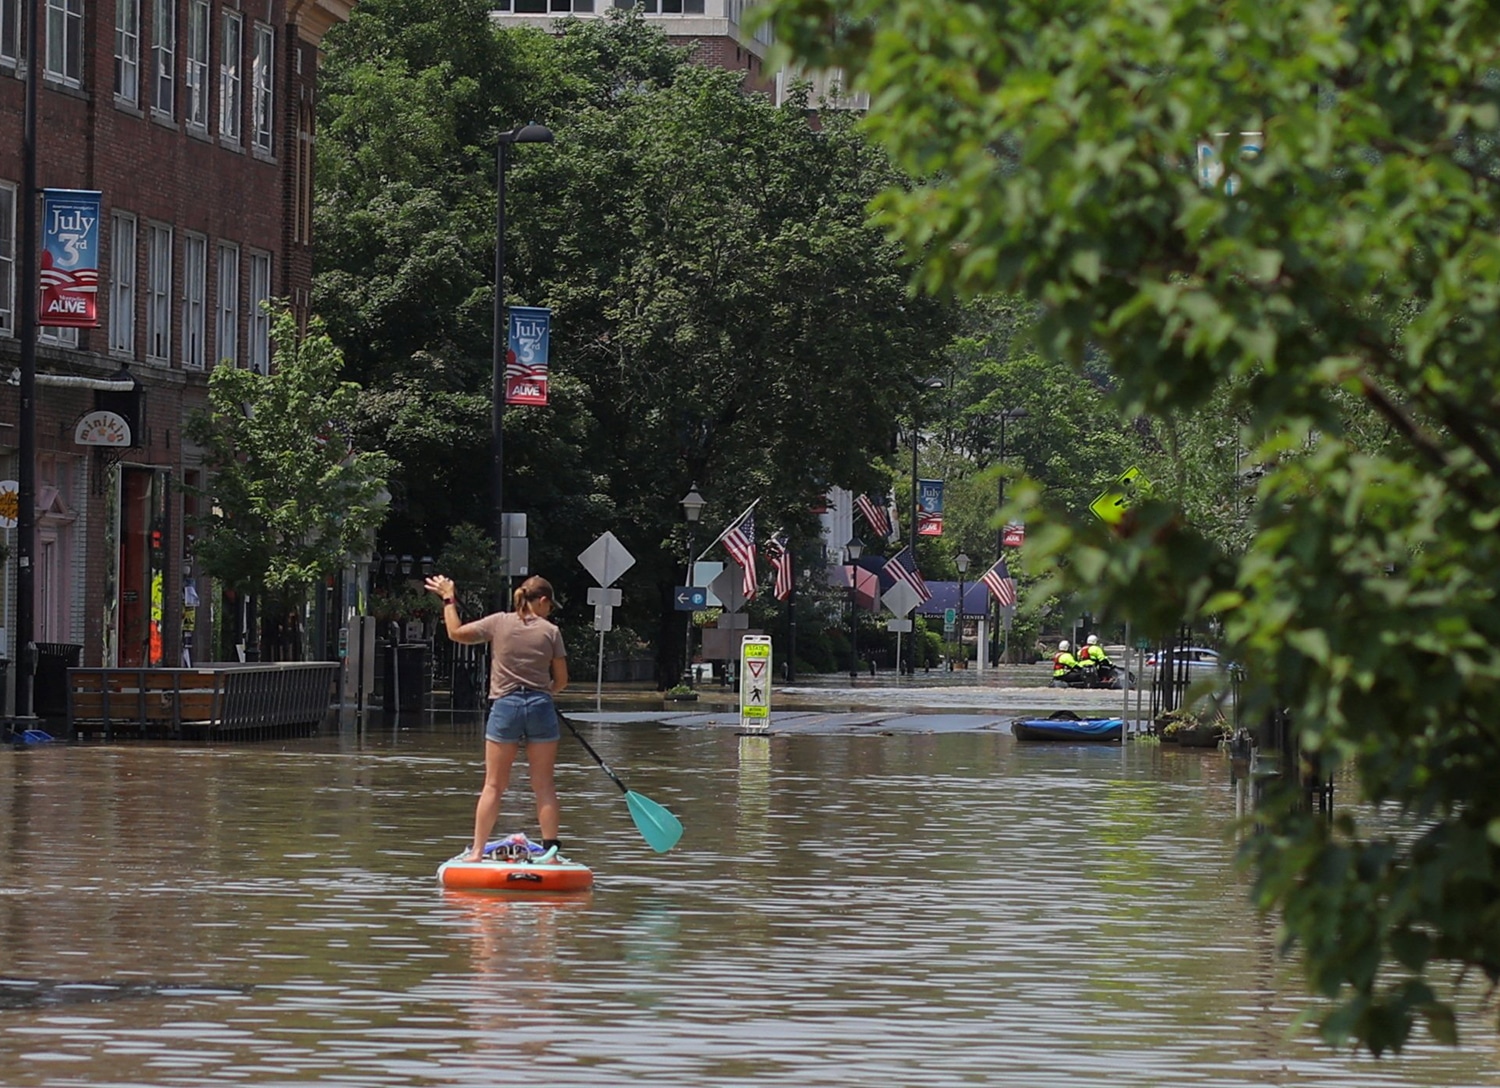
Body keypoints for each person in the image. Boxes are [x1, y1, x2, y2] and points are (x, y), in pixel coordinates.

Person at [425, 573, 569, 862]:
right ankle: (551, 855)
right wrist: (545, 693)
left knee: (493, 784)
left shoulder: (498, 622)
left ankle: (477, 852)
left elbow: (455, 632)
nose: (549, 611)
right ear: (541, 601)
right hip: (540, 706)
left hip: (505, 706)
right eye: (550, 606)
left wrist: (449, 599)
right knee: (544, 784)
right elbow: (562, 680)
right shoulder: (551, 632)